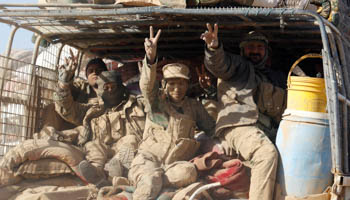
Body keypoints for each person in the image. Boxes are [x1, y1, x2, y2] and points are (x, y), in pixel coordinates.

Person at [128, 26, 216, 200]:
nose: (177, 88)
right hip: (149, 159)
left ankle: (158, 180)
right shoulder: (156, 102)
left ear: (188, 85)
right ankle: (146, 179)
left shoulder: (194, 107)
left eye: (181, 84)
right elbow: (146, 86)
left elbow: (212, 128)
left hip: (173, 167)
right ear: (165, 86)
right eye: (172, 84)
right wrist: (151, 59)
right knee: (150, 181)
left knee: (189, 172)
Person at [200, 23, 287, 200]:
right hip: (240, 126)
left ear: (266, 52)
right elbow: (219, 64)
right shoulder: (238, 67)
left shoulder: (275, 77)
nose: (255, 51)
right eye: (250, 47)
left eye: (259, 47)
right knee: (265, 153)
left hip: (269, 130)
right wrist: (214, 47)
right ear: (242, 51)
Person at [52, 70, 146, 186]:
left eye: (113, 87)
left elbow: (151, 97)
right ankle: (96, 174)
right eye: (106, 87)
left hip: (125, 153)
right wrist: (63, 85)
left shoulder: (135, 105)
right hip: (102, 149)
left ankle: (114, 173)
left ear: (120, 87)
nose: (111, 90)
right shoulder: (92, 110)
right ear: (101, 89)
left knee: (130, 140)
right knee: (93, 145)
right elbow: (67, 109)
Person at [41, 53, 108, 131]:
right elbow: (67, 91)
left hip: (97, 127)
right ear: (86, 75)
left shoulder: (111, 89)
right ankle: (48, 138)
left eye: (98, 70)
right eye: (91, 71)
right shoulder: (81, 86)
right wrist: (66, 78)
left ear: (106, 73)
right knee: (52, 107)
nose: (94, 73)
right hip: (74, 123)